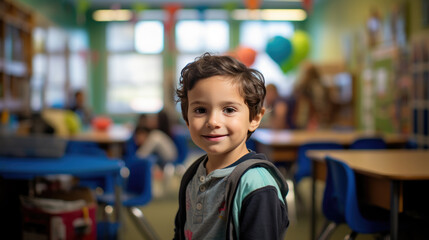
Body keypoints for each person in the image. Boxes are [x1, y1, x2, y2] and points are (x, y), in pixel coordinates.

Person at [174, 52, 289, 239]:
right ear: (187, 118)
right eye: (200, 110)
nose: (213, 122)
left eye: (228, 110)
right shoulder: (194, 173)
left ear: (254, 118)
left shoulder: (256, 184)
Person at [290, 62, 333, 129]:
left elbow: (319, 104)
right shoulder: (318, 85)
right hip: (312, 118)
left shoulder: (313, 86)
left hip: (312, 118)